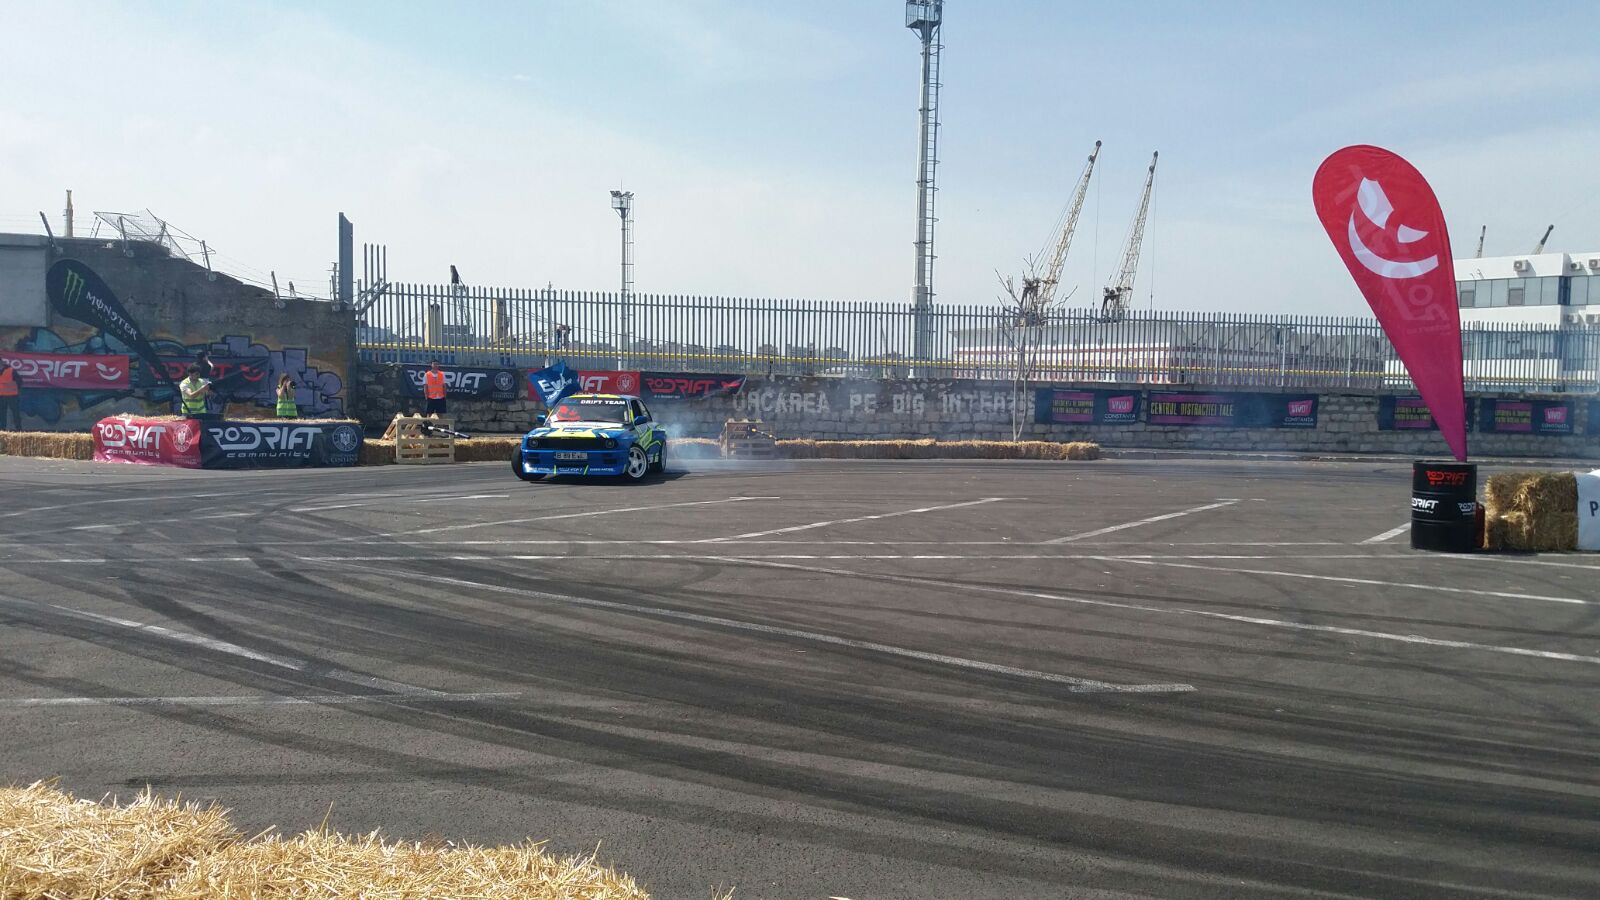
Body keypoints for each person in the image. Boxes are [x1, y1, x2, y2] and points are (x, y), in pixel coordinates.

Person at [0, 358, 20, 431]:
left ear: (1, 362)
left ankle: (19, 430)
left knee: (15, 413)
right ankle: (2, 430)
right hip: (1, 396)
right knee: (2, 414)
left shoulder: (11, 370)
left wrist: (16, 391)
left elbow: (19, 382)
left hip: (12, 396)